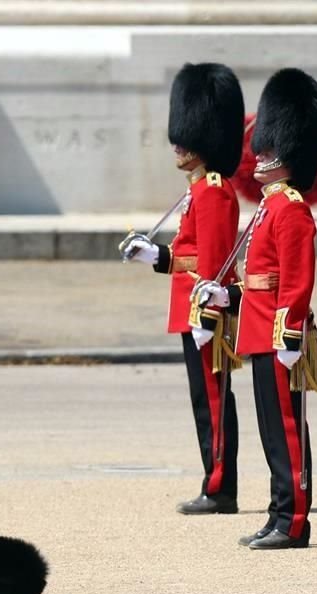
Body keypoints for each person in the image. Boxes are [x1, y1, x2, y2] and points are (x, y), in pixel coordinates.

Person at [194, 68, 317, 549]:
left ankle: (293, 520)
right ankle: (279, 514)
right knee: (272, 430)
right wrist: (224, 296)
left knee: (287, 430)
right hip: (259, 329)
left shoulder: (291, 208)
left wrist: (290, 332)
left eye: (268, 149)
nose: (259, 155)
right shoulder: (270, 207)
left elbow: (297, 280)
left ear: (286, 154)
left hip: (280, 336)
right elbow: (259, 280)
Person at [119, 63, 245, 515]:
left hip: (202, 313)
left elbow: (213, 263)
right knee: (203, 398)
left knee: (211, 399)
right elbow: (189, 256)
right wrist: (154, 256)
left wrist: (206, 318)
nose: (178, 143)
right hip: (189, 307)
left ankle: (219, 487)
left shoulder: (213, 191)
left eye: (185, 134)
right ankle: (215, 482)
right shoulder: (198, 191)